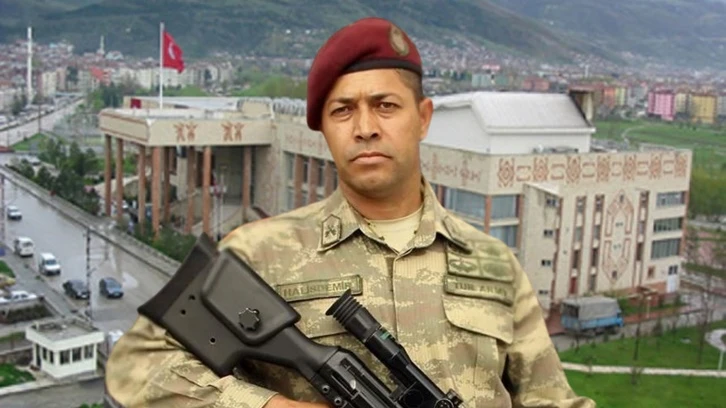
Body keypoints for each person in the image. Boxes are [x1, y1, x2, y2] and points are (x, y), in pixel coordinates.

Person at [105, 17, 595, 408]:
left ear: (423, 118)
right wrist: (268, 406)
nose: (365, 128)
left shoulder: (493, 263)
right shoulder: (259, 252)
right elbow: (135, 367)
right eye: (342, 110)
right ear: (323, 128)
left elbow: (550, 399)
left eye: (386, 106)